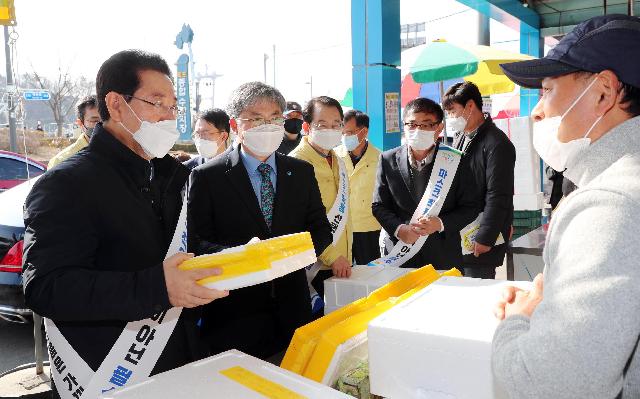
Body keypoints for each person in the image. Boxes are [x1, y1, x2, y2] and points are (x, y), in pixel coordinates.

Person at [22, 50, 228, 399]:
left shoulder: (172, 176)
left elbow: (181, 249)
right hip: (106, 372)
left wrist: (235, 256)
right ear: (116, 105)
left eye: (173, 106)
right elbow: (46, 287)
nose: (169, 117)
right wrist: (157, 288)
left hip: (180, 361)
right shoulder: (67, 183)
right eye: (157, 103)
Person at [492, 14, 640, 399]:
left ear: (604, 93)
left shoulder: (611, 205)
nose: (537, 111)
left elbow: (546, 387)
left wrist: (519, 319)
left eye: (546, 90)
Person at [189, 82, 332, 361]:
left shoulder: (301, 171)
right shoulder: (208, 177)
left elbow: (320, 229)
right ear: (235, 124)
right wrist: (245, 258)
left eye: (274, 118)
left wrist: (288, 256)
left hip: (293, 308)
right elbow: (195, 241)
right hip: (234, 313)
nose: (267, 126)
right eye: (256, 119)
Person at [372, 98, 479, 269]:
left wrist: (440, 223)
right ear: (404, 126)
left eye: (426, 125)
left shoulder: (456, 160)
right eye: (412, 124)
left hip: (443, 255)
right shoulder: (387, 159)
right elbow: (379, 206)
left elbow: (471, 207)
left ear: (439, 128)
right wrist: (399, 229)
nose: (418, 130)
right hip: (401, 254)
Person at [443, 81, 516, 279]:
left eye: (452, 111)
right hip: (461, 232)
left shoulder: (496, 143)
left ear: (470, 106)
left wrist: (486, 237)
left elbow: (498, 194)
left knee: (477, 293)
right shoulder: (461, 136)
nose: (450, 118)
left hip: (479, 239)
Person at [290, 96, 353, 302]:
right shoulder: (296, 163)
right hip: (316, 264)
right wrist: (331, 256)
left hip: (341, 261)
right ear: (307, 126)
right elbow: (299, 219)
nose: (330, 129)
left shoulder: (337, 158)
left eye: (336, 124)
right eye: (322, 124)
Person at [336, 110, 382, 265]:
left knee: (371, 273)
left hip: (369, 228)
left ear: (364, 131)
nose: (345, 137)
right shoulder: (334, 157)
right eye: (343, 132)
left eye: (349, 132)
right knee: (341, 275)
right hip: (340, 228)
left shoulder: (381, 159)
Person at [48, 95, 101, 169]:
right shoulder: (61, 162)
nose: (102, 125)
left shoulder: (119, 153)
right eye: (95, 121)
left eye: (106, 120)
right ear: (80, 123)